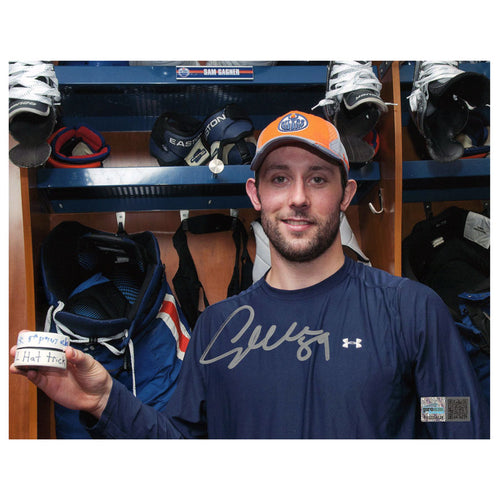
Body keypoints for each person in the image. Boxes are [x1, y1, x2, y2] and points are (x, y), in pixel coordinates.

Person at [10, 110, 489, 439]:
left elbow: (457, 416)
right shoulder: (217, 329)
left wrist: (424, 409)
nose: (297, 197)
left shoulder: (411, 309)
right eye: (279, 178)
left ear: (346, 195)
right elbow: (183, 447)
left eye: (318, 178)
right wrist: (104, 400)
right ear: (255, 195)